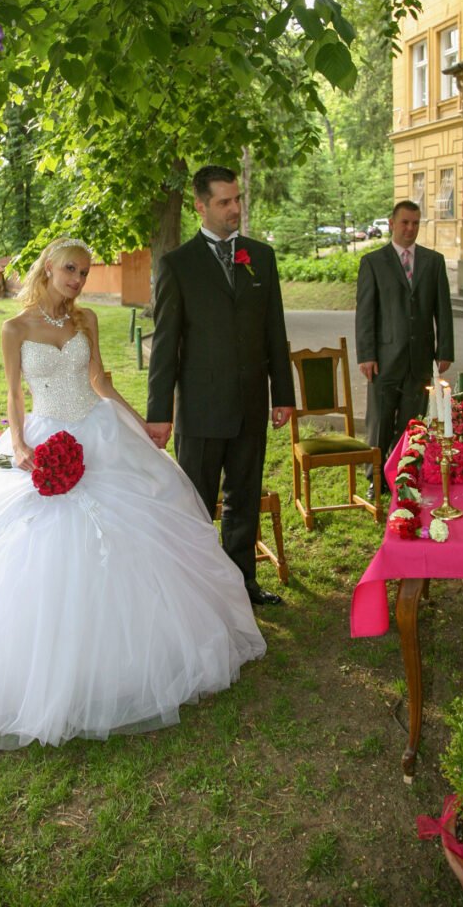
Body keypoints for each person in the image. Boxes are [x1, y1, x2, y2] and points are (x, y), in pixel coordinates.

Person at [0, 238, 265, 749]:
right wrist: (19, 443)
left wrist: (140, 423)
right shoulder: (15, 328)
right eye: (71, 270)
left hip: (99, 434)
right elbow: (14, 394)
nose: (78, 280)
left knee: (132, 530)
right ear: (49, 269)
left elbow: (98, 381)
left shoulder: (86, 321)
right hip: (44, 433)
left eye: (85, 273)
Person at [146, 166, 295, 607]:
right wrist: (159, 414)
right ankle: (198, 592)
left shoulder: (261, 256)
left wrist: (283, 395)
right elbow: (165, 346)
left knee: (244, 500)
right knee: (196, 504)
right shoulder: (177, 265)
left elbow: (274, 331)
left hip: (251, 403)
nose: (235, 208)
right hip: (201, 408)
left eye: (237, 199)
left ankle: (242, 585)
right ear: (200, 206)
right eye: (224, 202)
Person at [355, 200, 454, 493]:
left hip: (420, 358)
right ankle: (375, 479)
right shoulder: (373, 262)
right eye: (405, 222)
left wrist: (445, 350)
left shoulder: (433, 262)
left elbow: (443, 310)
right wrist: (366, 355)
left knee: (412, 424)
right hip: (383, 358)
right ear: (392, 224)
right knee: (380, 422)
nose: (410, 228)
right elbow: (365, 312)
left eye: (415, 223)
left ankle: (404, 475)